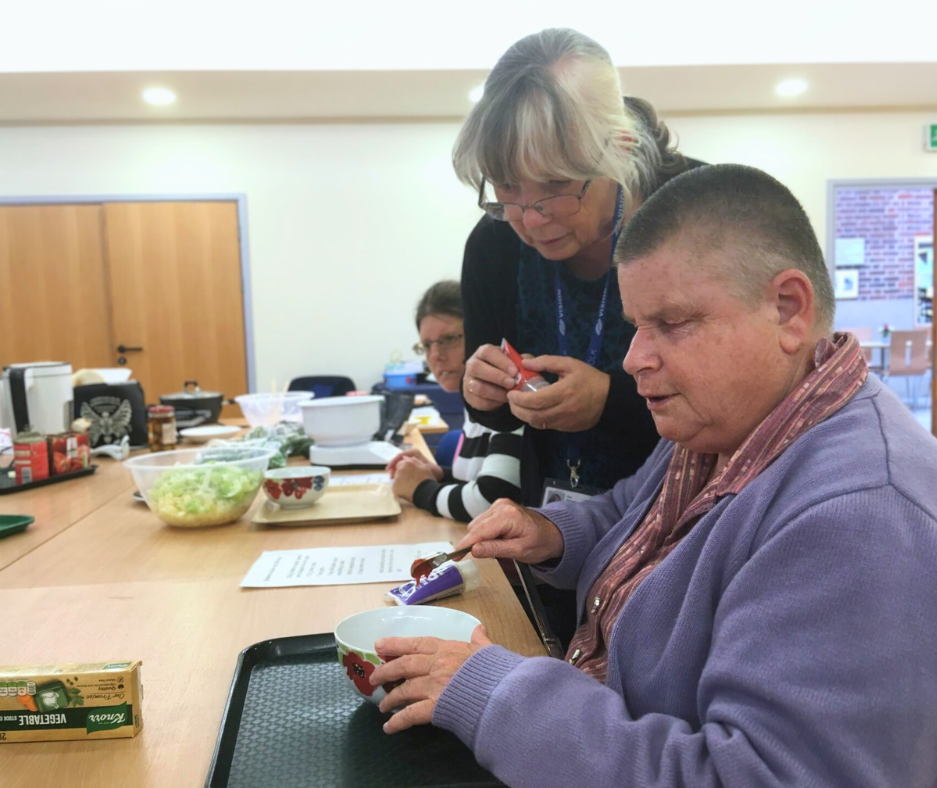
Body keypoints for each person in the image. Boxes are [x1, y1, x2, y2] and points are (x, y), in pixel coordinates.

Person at [368, 164, 937, 788]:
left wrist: (497, 693)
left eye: (672, 323)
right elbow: (629, 512)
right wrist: (549, 532)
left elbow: (749, 775)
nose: (634, 360)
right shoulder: (732, 418)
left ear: (788, 309)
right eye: (636, 325)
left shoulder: (860, 516)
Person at [455, 28, 704, 504]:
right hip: (552, 527)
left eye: (555, 181)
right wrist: (482, 391)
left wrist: (611, 401)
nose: (530, 218)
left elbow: (746, 394)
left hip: (691, 520)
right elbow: (498, 419)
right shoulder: (494, 244)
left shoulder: (701, 216)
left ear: (621, 149)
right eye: (507, 186)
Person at [387, 281, 522, 522]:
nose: (436, 355)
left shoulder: (506, 399)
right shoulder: (472, 407)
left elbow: (492, 501)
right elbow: (479, 481)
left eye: (449, 339)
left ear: (478, 334)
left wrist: (420, 489)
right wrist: (437, 475)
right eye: (427, 345)